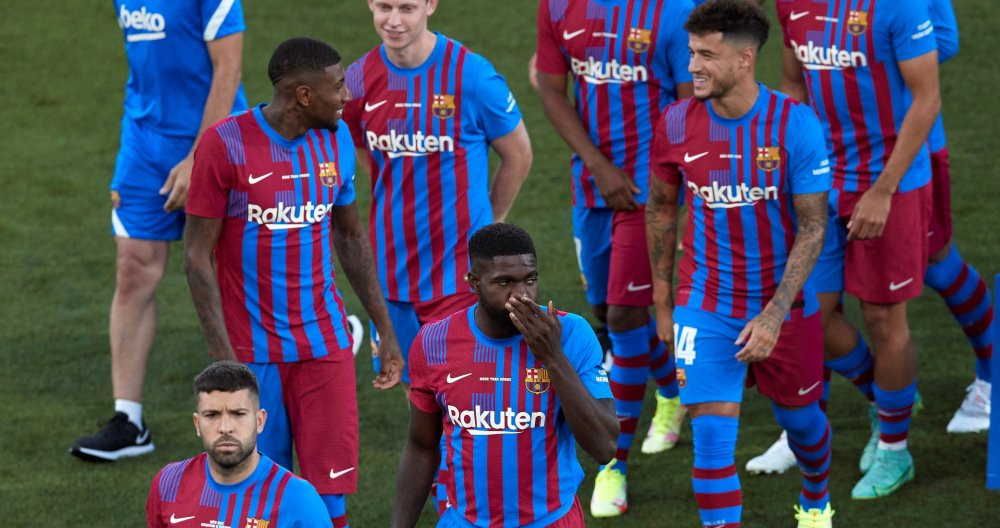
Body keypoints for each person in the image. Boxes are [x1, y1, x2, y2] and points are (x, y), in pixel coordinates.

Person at [183, 37, 404, 527]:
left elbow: (350, 236)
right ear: (303, 95)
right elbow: (196, 257)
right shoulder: (226, 145)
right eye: (338, 86)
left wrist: (383, 324)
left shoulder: (337, 139)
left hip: (324, 344)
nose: (347, 96)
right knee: (260, 495)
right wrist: (224, 359)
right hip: (252, 351)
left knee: (330, 498)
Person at [646, 1, 835, 526]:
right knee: (709, 439)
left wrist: (774, 314)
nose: (692, 67)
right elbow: (661, 208)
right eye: (691, 53)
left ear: (745, 58)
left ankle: (816, 501)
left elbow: (814, 227)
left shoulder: (795, 126)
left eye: (707, 55)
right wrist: (663, 302)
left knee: (802, 424)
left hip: (784, 308)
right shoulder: (676, 122)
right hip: (704, 302)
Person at [774, 0, 942, 499]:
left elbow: (927, 98)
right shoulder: (792, 5)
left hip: (893, 186)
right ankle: (885, 396)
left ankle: (894, 449)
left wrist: (884, 189)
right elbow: (794, 84)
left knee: (884, 318)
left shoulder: (898, 7)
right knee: (810, 315)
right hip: (822, 185)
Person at [534, 0, 695, 516]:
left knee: (624, 316)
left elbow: (692, 102)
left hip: (651, 192)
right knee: (607, 310)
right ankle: (670, 391)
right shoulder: (558, 7)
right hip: (594, 189)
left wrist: (669, 186)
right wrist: (599, 165)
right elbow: (552, 91)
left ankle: (612, 468)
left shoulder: (671, 12)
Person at [72, 0, 247, 462]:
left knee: (243, 273)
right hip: (144, 140)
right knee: (133, 269)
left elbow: (228, 68)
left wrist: (199, 157)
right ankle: (129, 420)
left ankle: (317, 338)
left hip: (219, 139)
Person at [342, 0, 532, 391]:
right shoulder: (358, 80)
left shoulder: (472, 76)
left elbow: (519, 155)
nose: (393, 20)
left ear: (431, 4)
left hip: (458, 277)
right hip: (391, 274)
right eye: (384, 6)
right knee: (419, 397)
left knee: (467, 397)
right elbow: (362, 151)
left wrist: (487, 223)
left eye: (407, 7)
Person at [391, 223, 618, 527]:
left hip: (551, 520)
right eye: (504, 282)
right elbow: (421, 447)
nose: (522, 295)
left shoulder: (570, 335)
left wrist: (552, 357)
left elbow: (605, 447)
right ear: (474, 282)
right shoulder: (434, 343)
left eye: (530, 279)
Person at [146, 361, 332, 527]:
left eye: (238, 414)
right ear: (197, 424)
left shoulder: (298, 500)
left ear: (260, 421)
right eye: (212, 415)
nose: (225, 427)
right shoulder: (169, 484)